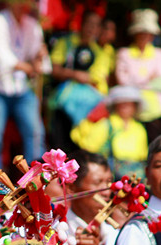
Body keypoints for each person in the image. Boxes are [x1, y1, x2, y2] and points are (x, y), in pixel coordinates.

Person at [0, 0, 46, 167]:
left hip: (21, 88)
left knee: (35, 133)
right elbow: (0, 54)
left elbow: (34, 55)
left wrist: (39, 57)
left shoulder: (32, 25)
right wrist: (27, 67)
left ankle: (35, 177)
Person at [49, 10, 110, 151]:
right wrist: (76, 74)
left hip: (87, 109)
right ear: (81, 24)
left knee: (80, 148)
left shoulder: (101, 52)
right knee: (60, 145)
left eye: (95, 25)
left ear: (99, 29)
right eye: (89, 24)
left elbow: (96, 80)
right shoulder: (65, 43)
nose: (91, 28)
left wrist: (69, 73)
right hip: (63, 104)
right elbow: (54, 70)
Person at [71, 86, 148, 178]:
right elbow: (88, 150)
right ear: (115, 105)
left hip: (134, 176)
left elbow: (142, 156)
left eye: (129, 104)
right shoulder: (105, 124)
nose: (124, 107)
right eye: (121, 103)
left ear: (135, 106)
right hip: (110, 176)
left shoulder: (139, 128)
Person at [114, 9, 161, 122]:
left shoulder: (160, 54)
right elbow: (123, 81)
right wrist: (149, 79)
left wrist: (135, 81)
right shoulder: (124, 54)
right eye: (141, 32)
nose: (144, 36)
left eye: (147, 32)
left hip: (157, 111)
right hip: (132, 113)